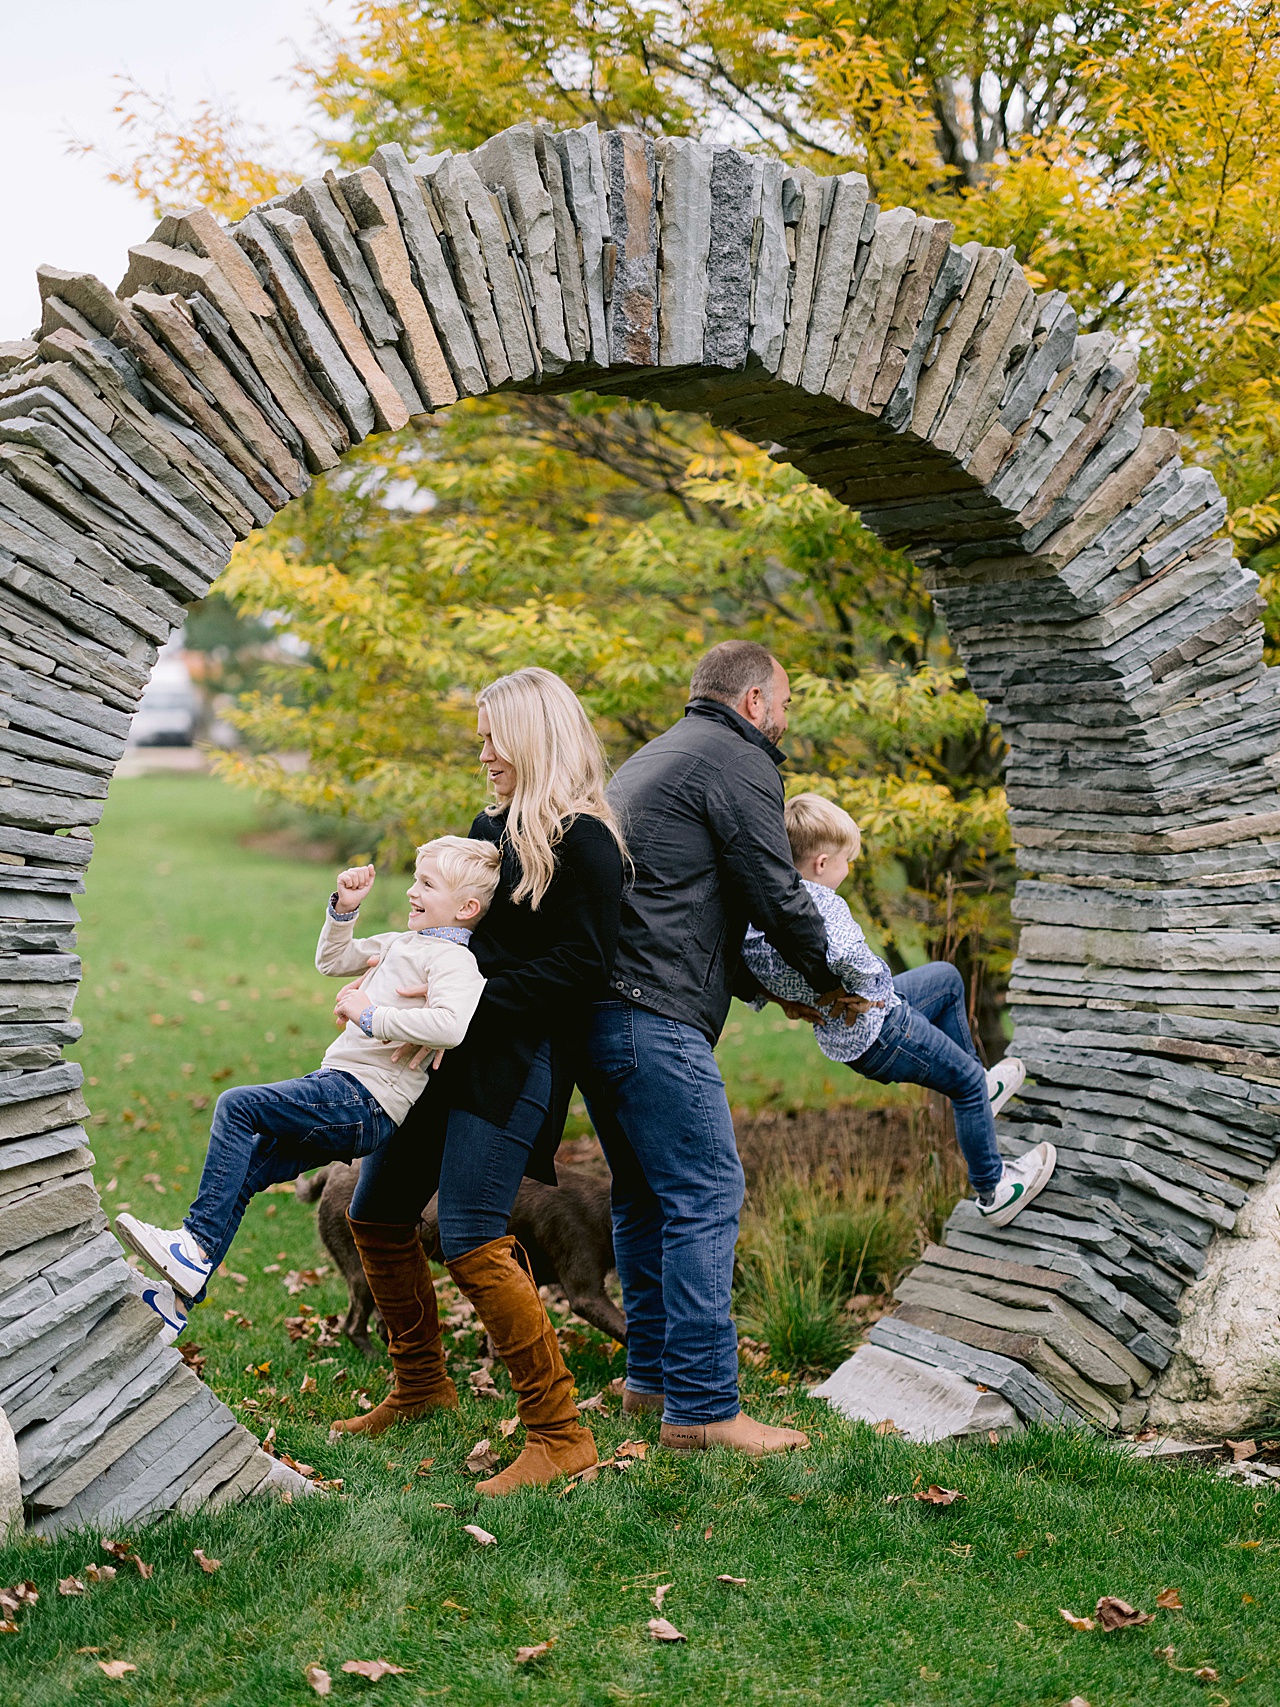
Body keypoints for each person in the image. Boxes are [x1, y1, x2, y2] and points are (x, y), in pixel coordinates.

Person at [331, 666, 626, 1499]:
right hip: (445, 1054)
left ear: (534, 736)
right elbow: (460, 943)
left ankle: (561, 1433)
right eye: (480, 735)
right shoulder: (489, 828)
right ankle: (422, 1384)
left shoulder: (588, 843)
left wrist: (477, 997)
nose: (484, 750)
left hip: (519, 1065)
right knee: (378, 1211)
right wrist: (402, 982)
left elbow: (583, 968)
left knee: (468, 1235)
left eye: (495, 735)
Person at [576, 640, 872, 1455]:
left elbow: (688, 898)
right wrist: (841, 978)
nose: (786, 719)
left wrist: (772, 992)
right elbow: (775, 891)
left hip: (602, 1017)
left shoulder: (661, 755)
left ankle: (652, 1383)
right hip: (653, 1017)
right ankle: (704, 1408)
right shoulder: (736, 757)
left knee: (642, 1197)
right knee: (706, 1191)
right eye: (784, 702)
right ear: (752, 703)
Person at [114, 836, 500, 1340]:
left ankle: (193, 1247)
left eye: (427, 884)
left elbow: (451, 1026)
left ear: (467, 907)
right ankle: (173, 1302)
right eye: (414, 879)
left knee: (237, 1107)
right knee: (249, 1166)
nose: (411, 891)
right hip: (342, 1092)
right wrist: (344, 910)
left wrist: (371, 1016)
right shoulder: (402, 944)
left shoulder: (454, 963)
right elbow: (333, 961)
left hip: (363, 1099)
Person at [741, 792, 1053, 1225]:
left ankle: (982, 1084)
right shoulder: (821, 905)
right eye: (848, 861)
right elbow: (848, 954)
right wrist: (870, 984)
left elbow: (752, 966)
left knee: (944, 978)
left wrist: (784, 999)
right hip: (881, 1029)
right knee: (963, 1084)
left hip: (854, 1028)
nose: (850, 871)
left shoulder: (766, 908)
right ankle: (993, 1188)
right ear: (822, 863)